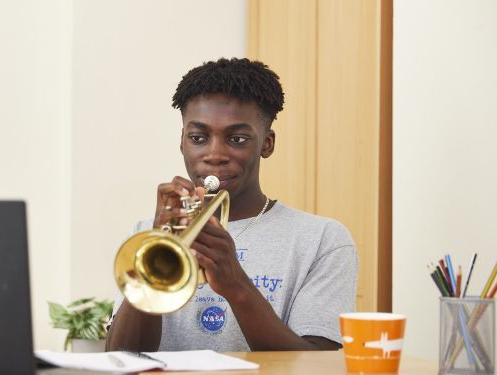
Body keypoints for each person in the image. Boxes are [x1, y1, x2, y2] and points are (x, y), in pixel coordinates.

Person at [105, 57, 358, 352]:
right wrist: (157, 251)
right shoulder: (147, 233)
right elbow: (119, 358)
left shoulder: (322, 239)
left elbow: (317, 366)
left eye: (236, 139)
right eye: (198, 137)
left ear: (267, 143)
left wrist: (235, 284)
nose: (214, 154)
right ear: (182, 141)